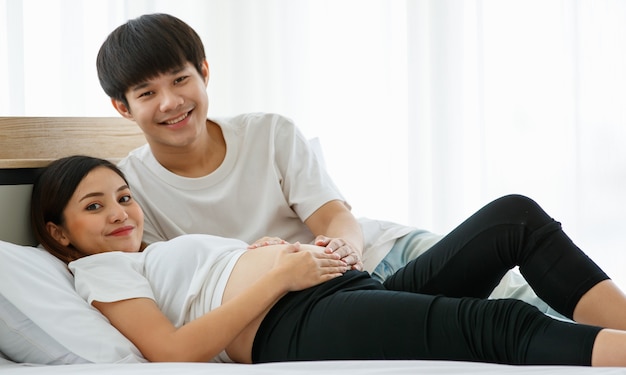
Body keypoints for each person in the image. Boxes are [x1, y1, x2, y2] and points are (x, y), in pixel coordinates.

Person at [97, 13, 559, 316]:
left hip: (377, 253)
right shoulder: (129, 190)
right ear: (123, 107)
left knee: (527, 296)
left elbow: (334, 216)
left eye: (181, 80)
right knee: (501, 322)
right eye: (147, 94)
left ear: (204, 72)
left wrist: (346, 251)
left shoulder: (267, 132)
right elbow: (177, 284)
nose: (172, 102)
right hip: (315, 300)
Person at [28, 155, 626, 366]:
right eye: (95, 206)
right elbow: (172, 353)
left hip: (336, 287)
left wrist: (258, 254)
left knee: (511, 219)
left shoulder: (153, 254)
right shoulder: (98, 270)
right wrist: (279, 275)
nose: (119, 213)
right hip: (290, 325)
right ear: (59, 232)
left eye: (124, 197)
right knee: (493, 325)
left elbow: (205, 285)